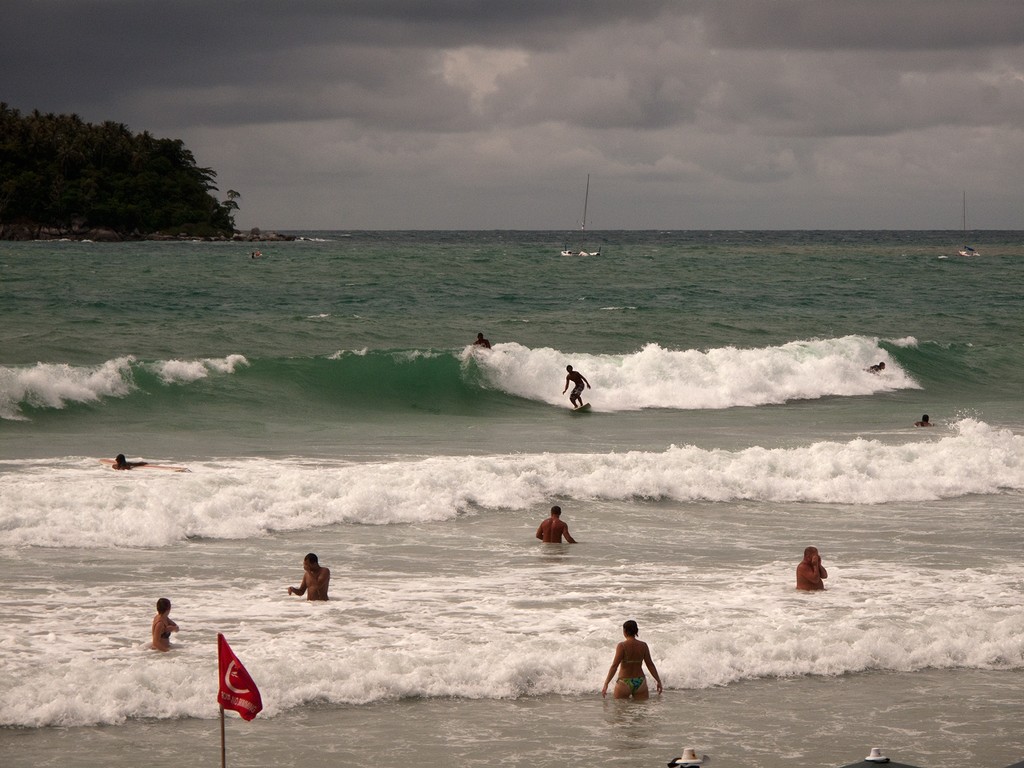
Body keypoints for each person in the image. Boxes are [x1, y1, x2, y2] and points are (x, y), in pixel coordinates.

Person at [601, 619, 663, 699]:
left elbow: (614, 666)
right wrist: (658, 681)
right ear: (636, 631)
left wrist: (606, 683)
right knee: (641, 710)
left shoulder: (622, 646)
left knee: (620, 710)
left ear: (625, 631)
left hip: (624, 682)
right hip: (640, 682)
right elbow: (650, 664)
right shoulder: (643, 645)